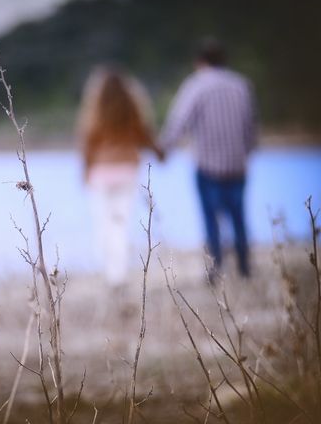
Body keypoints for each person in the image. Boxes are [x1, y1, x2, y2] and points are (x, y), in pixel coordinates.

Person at [159, 38, 257, 280]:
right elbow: (251, 127)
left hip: (208, 166)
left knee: (211, 219)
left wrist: (164, 150)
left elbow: (179, 121)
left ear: (199, 62)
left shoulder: (196, 86)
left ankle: (216, 269)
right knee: (239, 216)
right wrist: (247, 152)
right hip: (237, 164)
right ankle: (244, 267)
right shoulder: (241, 85)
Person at [77, 66, 162, 284]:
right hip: (126, 171)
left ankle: (111, 273)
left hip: (101, 172)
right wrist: (160, 152)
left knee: (104, 223)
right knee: (120, 224)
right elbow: (144, 135)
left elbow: (87, 143)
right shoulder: (132, 108)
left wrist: (84, 171)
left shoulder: (94, 111)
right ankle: (119, 273)